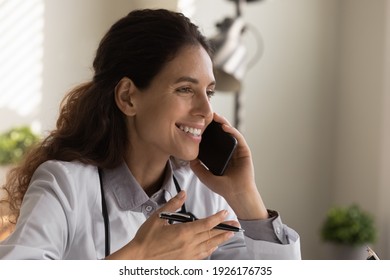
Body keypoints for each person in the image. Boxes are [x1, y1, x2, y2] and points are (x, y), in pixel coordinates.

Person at [0, 9, 300, 260]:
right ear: (128, 97)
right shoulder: (64, 184)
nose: (205, 110)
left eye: (209, 92)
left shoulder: (207, 195)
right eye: (185, 89)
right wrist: (138, 255)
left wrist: (244, 196)